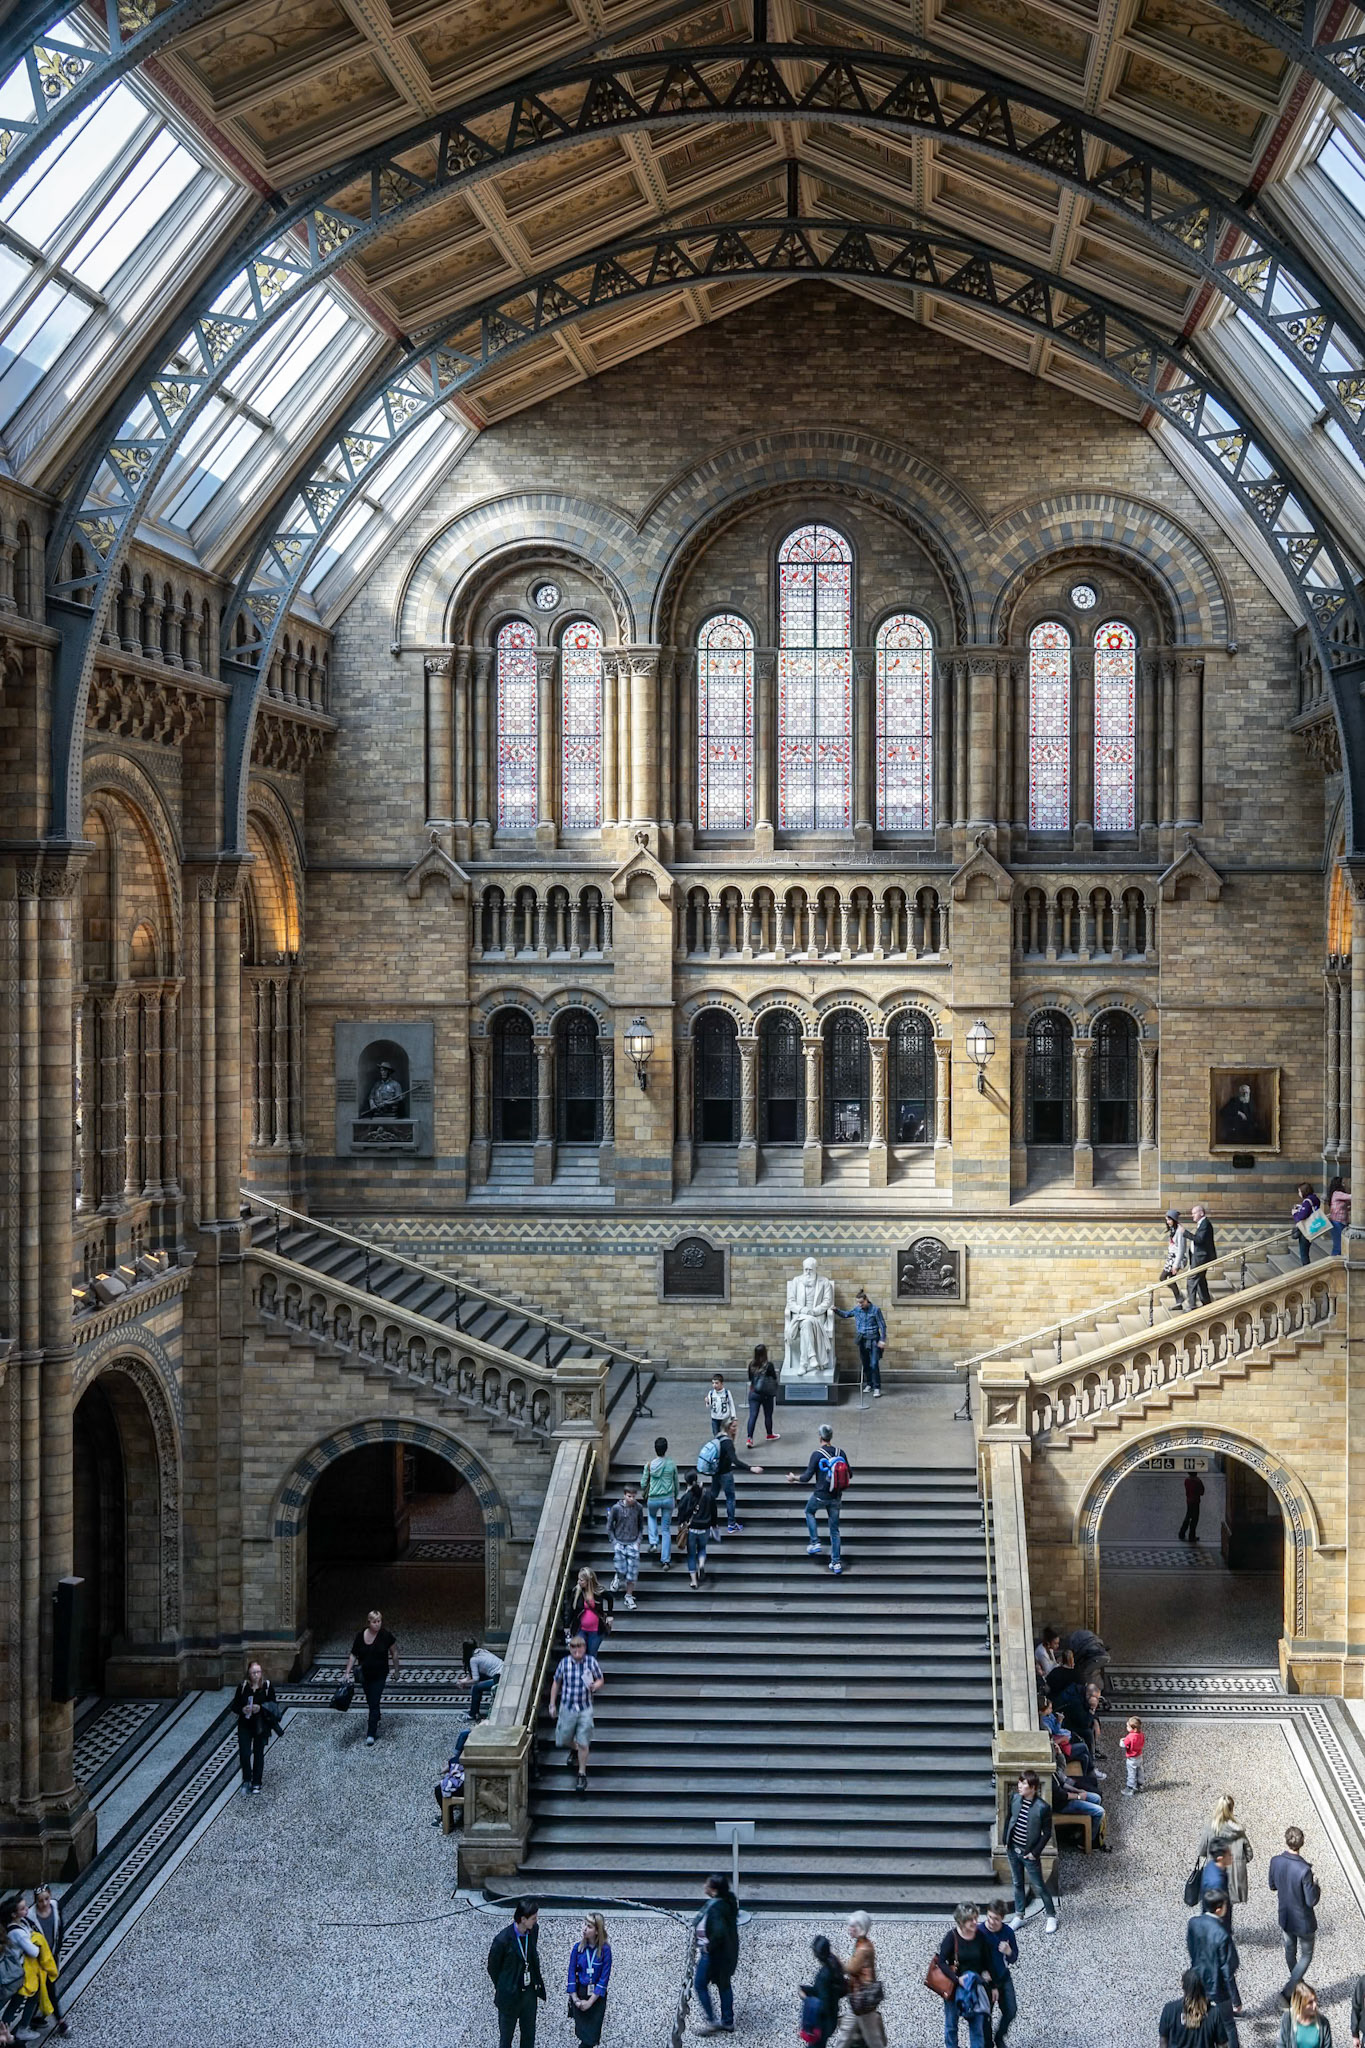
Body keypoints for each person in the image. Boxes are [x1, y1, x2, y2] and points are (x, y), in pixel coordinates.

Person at [933, 1903, 1000, 2048]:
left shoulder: (980, 1937)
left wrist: (994, 1986)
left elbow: (988, 1962)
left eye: (976, 1918)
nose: (976, 1922)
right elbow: (942, 1962)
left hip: (974, 1987)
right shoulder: (951, 1937)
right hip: (954, 1987)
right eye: (971, 1920)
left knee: (977, 2028)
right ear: (961, 1921)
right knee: (951, 2026)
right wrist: (957, 1979)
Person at [788, 1422, 850, 1576]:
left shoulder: (817, 1454)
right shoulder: (840, 1452)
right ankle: (836, 1563)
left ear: (820, 1437)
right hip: (836, 1496)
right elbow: (850, 1474)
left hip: (820, 1495)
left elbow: (807, 1477)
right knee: (834, 1530)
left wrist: (793, 1478)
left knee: (809, 1511)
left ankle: (815, 1542)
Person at [1269, 1825, 1321, 2007]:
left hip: (1285, 1916)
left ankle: (1297, 1985)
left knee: (1290, 1952)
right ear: (1302, 1843)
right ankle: (1288, 1990)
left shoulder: (1275, 1861)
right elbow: (1311, 1900)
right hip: (1304, 1922)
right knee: (1306, 1955)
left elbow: (1272, 1885)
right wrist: (1316, 1886)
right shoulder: (1304, 1870)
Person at [1003, 1769, 1057, 1932]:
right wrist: (1006, 1840)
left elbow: (1047, 1833)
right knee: (1017, 1882)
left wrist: (1035, 1852)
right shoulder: (1014, 1798)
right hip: (1013, 1849)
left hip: (1029, 1853)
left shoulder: (1042, 1807)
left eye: (1024, 1783)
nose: (1020, 1786)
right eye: (1020, 1782)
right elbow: (1009, 1818)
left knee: (1039, 1885)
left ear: (1033, 1787)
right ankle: (1019, 1915)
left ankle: (1051, 1915)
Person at [487, 1900, 547, 2048]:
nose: (536, 1920)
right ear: (523, 1919)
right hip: (509, 1996)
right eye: (533, 1918)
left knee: (528, 2035)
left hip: (529, 1994)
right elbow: (493, 1968)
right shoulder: (502, 1941)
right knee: (506, 2038)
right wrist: (505, 1985)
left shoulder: (533, 1930)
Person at [1186, 1892, 1241, 2048]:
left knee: (1197, 2017)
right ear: (1219, 1909)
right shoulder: (1222, 1933)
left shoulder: (1194, 1923)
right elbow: (1230, 1964)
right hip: (1217, 1983)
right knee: (1228, 2023)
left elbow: (1190, 1946)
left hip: (1198, 1977)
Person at [550, 1633, 603, 1792]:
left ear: (584, 1648)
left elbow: (600, 1678)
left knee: (584, 1741)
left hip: (585, 1708)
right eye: (573, 1647)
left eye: (579, 1647)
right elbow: (556, 1682)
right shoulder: (564, 1663)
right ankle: (574, 1748)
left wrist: (595, 1685)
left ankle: (582, 1773)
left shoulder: (590, 1662)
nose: (576, 1650)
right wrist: (552, 1704)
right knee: (564, 1738)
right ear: (570, 1649)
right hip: (568, 1707)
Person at [344, 1608, 399, 1746]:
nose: (377, 1624)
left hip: (380, 1674)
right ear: (369, 1622)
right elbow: (353, 1654)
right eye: (374, 1622)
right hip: (365, 1675)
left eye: (379, 1621)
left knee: (374, 1701)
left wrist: (396, 1670)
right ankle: (376, 1715)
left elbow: (394, 1653)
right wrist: (347, 1672)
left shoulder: (385, 1636)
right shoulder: (360, 1636)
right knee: (371, 1700)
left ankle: (371, 1732)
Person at [692, 1873, 739, 2035]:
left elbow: (718, 1932)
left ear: (714, 1890)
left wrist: (708, 1947)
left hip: (714, 1955)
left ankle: (712, 2021)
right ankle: (727, 2021)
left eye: (707, 1885)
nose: (704, 1887)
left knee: (699, 1984)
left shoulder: (716, 1909)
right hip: (727, 1954)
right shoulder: (728, 1901)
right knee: (724, 1984)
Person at [832, 1910, 884, 2048]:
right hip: (858, 1997)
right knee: (846, 2030)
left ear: (860, 1928)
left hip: (862, 1999)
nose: (850, 1929)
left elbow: (851, 1969)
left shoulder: (863, 1949)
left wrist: (836, 1960)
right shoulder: (863, 1943)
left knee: (872, 2038)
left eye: (852, 1927)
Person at [566, 1911, 612, 2048]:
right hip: (580, 1994)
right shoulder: (577, 1948)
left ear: (598, 1931)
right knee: (584, 2036)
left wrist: (590, 2002)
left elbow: (604, 1979)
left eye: (589, 1926)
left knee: (590, 2039)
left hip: (596, 1998)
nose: (584, 1929)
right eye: (585, 1925)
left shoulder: (605, 1950)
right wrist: (576, 2000)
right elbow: (571, 1974)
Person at [232, 1658, 277, 1792]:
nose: (256, 1675)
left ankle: (257, 1781)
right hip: (245, 1724)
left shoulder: (267, 1687)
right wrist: (242, 1709)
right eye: (253, 1672)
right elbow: (235, 1705)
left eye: (258, 1672)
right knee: (245, 1753)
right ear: (249, 1674)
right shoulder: (243, 1687)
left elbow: (273, 1705)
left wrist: (260, 1708)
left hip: (260, 1725)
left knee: (258, 1753)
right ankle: (247, 1779)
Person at [1199, 1793, 1253, 1905]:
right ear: (1232, 1808)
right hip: (1236, 1877)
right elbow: (1249, 1854)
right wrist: (1239, 1861)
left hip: (1215, 1872)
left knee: (1214, 1906)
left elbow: (1202, 1851)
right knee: (1228, 1908)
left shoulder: (1210, 1827)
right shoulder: (1238, 1829)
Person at [26, 1887, 66, 2038]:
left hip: (52, 1955)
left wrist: (57, 1949)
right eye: (40, 1900)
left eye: (46, 1899)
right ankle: (60, 2021)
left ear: (50, 1896)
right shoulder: (30, 1916)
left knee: (42, 1989)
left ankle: (32, 2018)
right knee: (49, 1988)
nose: (44, 1903)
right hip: (39, 1959)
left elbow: (60, 1927)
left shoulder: (55, 1906)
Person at [710, 1417, 760, 1535]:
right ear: (728, 1427)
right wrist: (750, 1468)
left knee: (713, 1496)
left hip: (715, 1472)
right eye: (733, 1426)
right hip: (725, 1473)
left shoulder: (718, 1437)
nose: (736, 1429)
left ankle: (711, 1521)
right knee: (730, 1498)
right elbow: (735, 1460)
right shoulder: (728, 1442)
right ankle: (731, 1524)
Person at [1159, 1968, 1231, 2048]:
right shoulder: (1214, 2014)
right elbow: (1222, 2045)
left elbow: (1163, 2043)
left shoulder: (1169, 2010)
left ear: (1183, 1987)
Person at [835, 1288, 887, 1397]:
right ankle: (869, 1384)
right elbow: (846, 1315)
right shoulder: (857, 1309)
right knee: (866, 1363)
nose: (860, 1305)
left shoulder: (875, 1310)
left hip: (873, 1339)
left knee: (874, 1364)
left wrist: (882, 1340)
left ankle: (877, 1387)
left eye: (861, 1302)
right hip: (862, 1339)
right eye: (858, 1302)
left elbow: (882, 1325)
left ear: (866, 1300)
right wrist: (835, 1310)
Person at [980, 1901, 1019, 2045]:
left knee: (1011, 2010)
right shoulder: (979, 1932)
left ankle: (999, 2036)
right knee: (985, 2017)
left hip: (1003, 1978)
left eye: (996, 1919)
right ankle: (988, 2043)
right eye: (989, 1917)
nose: (991, 1922)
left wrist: (1009, 1952)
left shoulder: (1007, 1932)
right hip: (986, 1982)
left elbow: (1014, 1957)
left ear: (1002, 1918)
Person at [800, 1935, 845, 2048]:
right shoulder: (835, 1962)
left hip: (823, 2023)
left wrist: (806, 1997)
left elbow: (823, 2004)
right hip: (832, 2016)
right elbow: (840, 1990)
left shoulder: (823, 1976)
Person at [641, 1436, 679, 1567]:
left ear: (655, 1449)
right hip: (668, 1498)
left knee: (651, 1517)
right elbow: (676, 1483)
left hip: (653, 1498)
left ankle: (653, 1541)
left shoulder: (650, 1465)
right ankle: (666, 1560)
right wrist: (676, 1496)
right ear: (666, 1449)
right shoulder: (671, 1464)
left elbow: (642, 1484)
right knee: (666, 1529)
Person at [606, 1481, 643, 1611]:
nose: (632, 1499)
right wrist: (614, 1541)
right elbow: (610, 1525)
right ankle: (618, 1576)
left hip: (632, 1542)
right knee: (621, 1568)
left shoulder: (638, 1508)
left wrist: (638, 1541)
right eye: (629, 1496)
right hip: (620, 1541)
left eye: (634, 1496)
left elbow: (641, 1525)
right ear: (624, 1495)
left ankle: (629, 1595)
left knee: (632, 1572)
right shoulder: (616, 1508)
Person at [678, 1469, 717, 1589]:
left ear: (686, 1482)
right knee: (702, 1548)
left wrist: (680, 1523)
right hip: (705, 1527)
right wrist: (714, 1524)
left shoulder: (687, 1496)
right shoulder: (707, 1494)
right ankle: (701, 1564)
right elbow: (714, 1510)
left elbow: (681, 1512)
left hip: (692, 1528)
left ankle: (694, 1581)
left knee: (691, 1554)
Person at [567, 1568, 613, 1659]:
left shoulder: (598, 1591)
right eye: (578, 1579)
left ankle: (590, 1672)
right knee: (579, 1652)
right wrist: (567, 1625)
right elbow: (571, 1609)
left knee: (591, 1653)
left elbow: (610, 1598)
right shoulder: (577, 1591)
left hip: (596, 1630)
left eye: (581, 1580)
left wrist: (610, 1614)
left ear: (588, 1581)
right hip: (581, 1628)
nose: (579, 1582)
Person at [745, 1346, 780, 1447]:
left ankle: (749, 1438)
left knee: (752, 1416)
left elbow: (750, 1378)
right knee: (768, 1415)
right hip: (766, 1395)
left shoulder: (751, 1365)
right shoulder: (769, 1365)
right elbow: (773, 1377)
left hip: (754, 1393)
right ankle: (769, 1434)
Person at [462, 1637, 503, 1721]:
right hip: (502, 1672)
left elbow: (476, 1679)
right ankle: (475, 1711)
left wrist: (465, 1684)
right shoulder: (482, 1651)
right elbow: (472, 1675)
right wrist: (463, 1681)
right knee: (477, 1685)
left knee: (476, 1687)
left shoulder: (473, 1659)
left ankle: (472, 1714)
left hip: (499, 1678)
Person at [1279, 1983, 1332, 2048]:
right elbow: (1281, 2044)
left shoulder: (1323, 2022)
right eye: (1310, 2002)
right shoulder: (1288, 2018)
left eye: (1315, 2000)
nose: (1315, 2005)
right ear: (1299, 2004)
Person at [1187, 1204, 1216, 1310]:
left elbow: (1199, 1240)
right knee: (1200, 1280)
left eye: (1194, 1213)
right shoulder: (1202, 1224)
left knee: (1192, 1279)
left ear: (1201, 1213)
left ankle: (1192, 1304)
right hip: (1198, 1257)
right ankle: (1206, 1301)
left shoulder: (1205, 1224)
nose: (1192, 1216)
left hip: (1201, 1257)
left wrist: (1185, 1233)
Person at [1162, 1209, 1190, 1309]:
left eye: (1169, 1219)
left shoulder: (1180, 1231)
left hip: (1175, 1259)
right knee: (1169, 1279)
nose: (1167, 1222)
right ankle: (1178, 1299)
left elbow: (1181, 1250)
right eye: (1166, 1220)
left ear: (1174, 1219)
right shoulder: (1173, 1229)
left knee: (1163, 1278)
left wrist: (1176, 1265)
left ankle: (1179, 1297)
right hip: (1171, 1257)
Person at [1291, 1182, 1321, 1267]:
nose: (1299, 1193)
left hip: (1306, 1228)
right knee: (1306, 1250)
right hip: (1313, 1226)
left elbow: (1302, 1216)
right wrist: (1301, 1208)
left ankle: (1306, 1268)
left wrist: (1295, 1213)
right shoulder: (1314, 1198)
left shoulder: (1307, 1202)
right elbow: (1310, 1211)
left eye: (1299, 1191)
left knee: (1303, 1252)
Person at [1121, 1713, 1145, 1796]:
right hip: (1139, 1756)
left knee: (1131, 1773)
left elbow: (1123, 1744)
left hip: (1131, 1758)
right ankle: (1140, 1785)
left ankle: (1130, 1788)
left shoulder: (1130, 1736)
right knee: (1140, 1770)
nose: (1126, 1728)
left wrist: (1122, 1740)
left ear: (1134, 1729)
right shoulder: (1141, 1734)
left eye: (1128, 1726)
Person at [1179, 1469, 1207, 1543]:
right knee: (1194, 1519)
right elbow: (1202, 1492)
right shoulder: (1198, 1481)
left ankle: (1181, 1533)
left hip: (1189, 1501)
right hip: (1196, 1501)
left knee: (1188, 1517)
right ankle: (1191, 1536)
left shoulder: (1186, 1480)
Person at [1328, 1175, 1352, 1257]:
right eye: (1342, 1183)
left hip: (1342, 1222)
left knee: (1341, 1245)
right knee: (1338, 1246)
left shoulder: (1339, 1194)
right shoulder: (1337, 1193)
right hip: (1336, 1223)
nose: (1344, 1185)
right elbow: (1351, 1197)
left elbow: (1346, 1206)